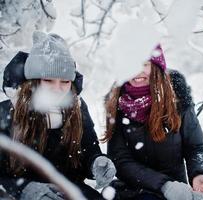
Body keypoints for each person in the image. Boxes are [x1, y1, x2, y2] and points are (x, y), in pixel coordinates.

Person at [0, 31, 116, 200]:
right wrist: (25, 189)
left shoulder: (77, 107)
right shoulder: (6, 112)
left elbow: (88, 150)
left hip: (70, 190)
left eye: (65, 81)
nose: (57, 88)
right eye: (48, 80)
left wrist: (96, 163)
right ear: (33, 80)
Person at [102, 45, 203, 200]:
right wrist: (163, 184)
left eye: (145, 64)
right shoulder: (115, 103)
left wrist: (199, 173)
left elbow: (195, 146)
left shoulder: (178, 98)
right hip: (133, 189)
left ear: (156, 66)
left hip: (176, 192)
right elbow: (120, 160)